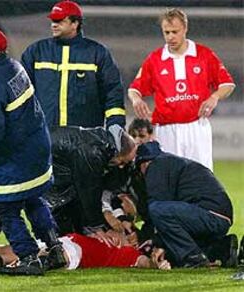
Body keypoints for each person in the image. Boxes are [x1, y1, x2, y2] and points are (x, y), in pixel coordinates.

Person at [0, 28, 64, 276]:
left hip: (15, 158)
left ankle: (29, 257)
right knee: (33, 200)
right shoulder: (12, 68)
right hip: (37, 152)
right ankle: (55, 248)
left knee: (8, 210)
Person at [128, 8, 235, 171]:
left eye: (175, 32)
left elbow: (227, 84)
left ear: (185, 28)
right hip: (165, 130)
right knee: (170, 178)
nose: (170, 37)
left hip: (196, 127)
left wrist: (214, 97)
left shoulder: (203, 54)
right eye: (166, 32)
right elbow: (134, 89)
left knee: (201, 177)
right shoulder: (155, 59)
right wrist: (136, 99)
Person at [21, 0, 125, 129]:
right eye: (53, 21)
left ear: (75, 23)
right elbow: (20, 95)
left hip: (85, 137)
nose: (54, 25)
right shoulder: (36, 52)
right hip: (45, 135)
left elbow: (113, 93)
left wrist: (116, 127)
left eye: (59, 21)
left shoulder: (97, 53)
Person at [135, 141, 237, 268]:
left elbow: (158, 210)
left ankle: (193, 257)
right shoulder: (173, 164)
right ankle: (221, 248)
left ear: (143, 164)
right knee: (175, 244)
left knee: (157, 209)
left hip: (208, 215)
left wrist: (158, 243)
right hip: (218, 217)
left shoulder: (155, 166)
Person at [0, 232, 171, 271]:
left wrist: (157, 264)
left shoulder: (130, 255)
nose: (129, 234)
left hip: (75, 252)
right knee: (7, 250)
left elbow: (146, 263)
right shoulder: (104, 233)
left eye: (132, 234)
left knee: (23, 254)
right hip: (62, 240)